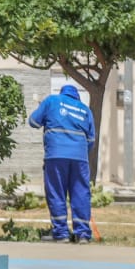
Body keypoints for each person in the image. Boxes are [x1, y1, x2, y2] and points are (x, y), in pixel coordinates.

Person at [28, 84, 96, 243]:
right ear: (76, 97)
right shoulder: (85, 110)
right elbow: (91, 140)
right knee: (81, 193)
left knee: (56, 192)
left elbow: (33, 121)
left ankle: (61, 233)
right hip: (80, 158)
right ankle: (83, 234)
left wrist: (43, 111)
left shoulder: (51, 101)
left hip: (56, 155)